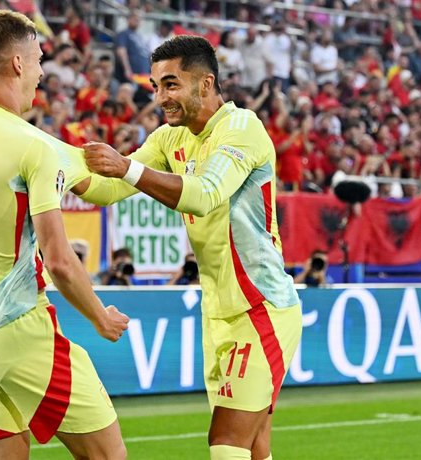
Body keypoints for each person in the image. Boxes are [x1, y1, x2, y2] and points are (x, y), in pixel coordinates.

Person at [76, 35, 302, 460]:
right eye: (156, 85)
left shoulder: (242, 128)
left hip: (260, 309)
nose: (160, 97)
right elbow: (107, 189)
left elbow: (204, 193)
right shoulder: (169, 139)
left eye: (171, 84)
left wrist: (126, 167)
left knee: (226, 444)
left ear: (205, 84)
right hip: (217, 312)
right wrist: (40, 159)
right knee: (255, 448)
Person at [0, 11, 129, 460]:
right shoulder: (32, 145)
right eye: (38, 60)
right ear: (18, 64)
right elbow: (59, 260)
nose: (41, 73)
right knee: (109, 457)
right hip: (21, 335)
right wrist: (100, 317)